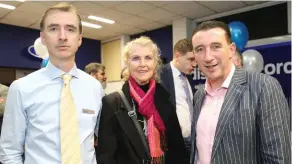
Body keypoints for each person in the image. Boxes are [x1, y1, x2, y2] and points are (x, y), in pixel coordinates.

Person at [0, 2, 104, 164]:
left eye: (70, 29)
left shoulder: (95, 88)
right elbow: (10, 151)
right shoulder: (21, 88)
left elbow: (103, 140)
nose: (62, 36)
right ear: (43, 38)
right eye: (54, 28)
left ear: (79, 39)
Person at [190, 20, 290, 164]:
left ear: (231, 50)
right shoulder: (199, 95)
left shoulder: (263, 86)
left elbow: (279, 159)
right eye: (200, 49)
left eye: (216, 47)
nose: (208, 57)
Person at [98, 36, 188, 164]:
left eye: (148, 58)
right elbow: (106, 157)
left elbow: (177, 149)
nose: (142, 64)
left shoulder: (165, 99)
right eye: (135, 58)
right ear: (127, 63)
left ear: (155, 63)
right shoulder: (112, 103)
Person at [160, 39, 196, 159]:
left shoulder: (188, 77)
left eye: (195, 60)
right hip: (172, 142)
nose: (194, 64)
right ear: (177, 56)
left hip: (192, 140)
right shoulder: (160, 75)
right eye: (190, 59)